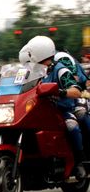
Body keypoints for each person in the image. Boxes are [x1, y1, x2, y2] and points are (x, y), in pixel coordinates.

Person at [26, 35, 87, 179]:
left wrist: (60, 92)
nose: (30, 56)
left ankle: (80, 161)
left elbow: (76, 91)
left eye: (31, 52)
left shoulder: (60, 70)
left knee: (72, 126)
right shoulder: (34, 72)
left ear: (38, 52)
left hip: (61, 111)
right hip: (41, 111)